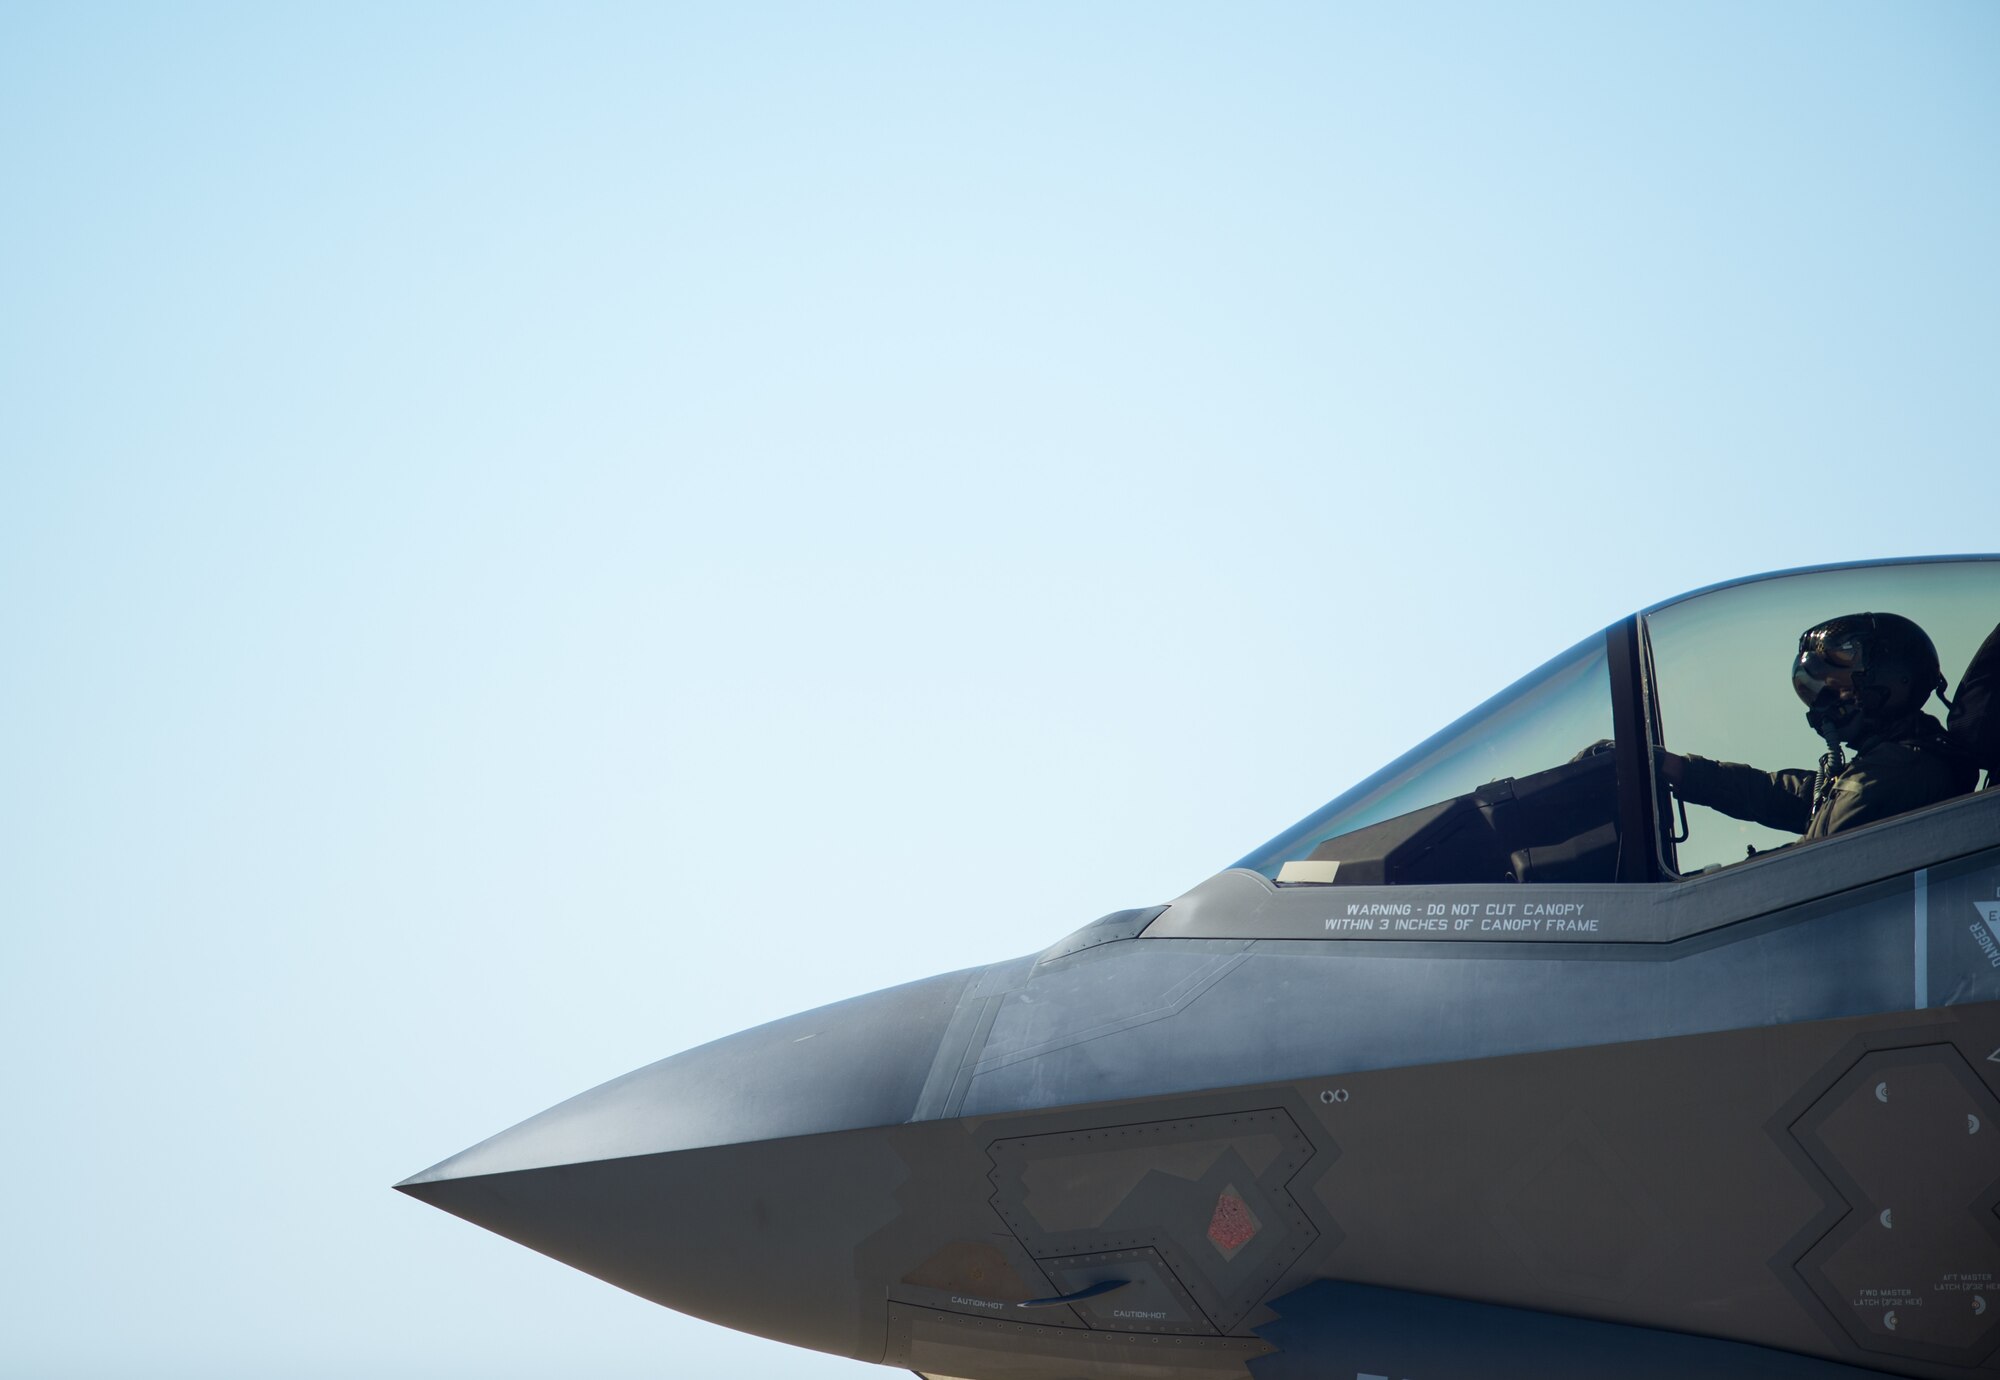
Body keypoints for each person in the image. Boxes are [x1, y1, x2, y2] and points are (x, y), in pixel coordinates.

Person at [1656, 612, 1975, 843]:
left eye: (1838, 688)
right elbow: (1785, 794)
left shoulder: (1896, 773)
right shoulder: (1894, 761)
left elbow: (1811, 862)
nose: (1824, 706)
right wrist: (1680, 769)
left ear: (1889, 683)